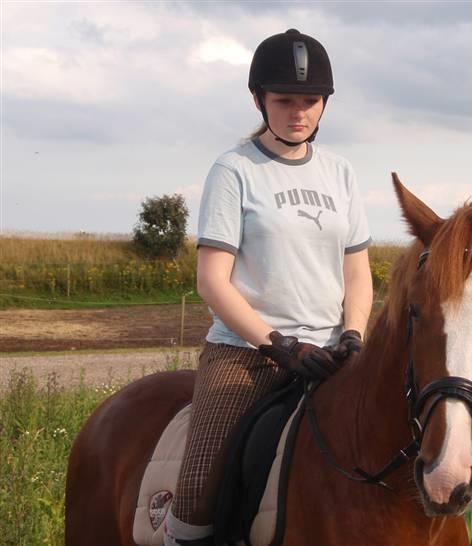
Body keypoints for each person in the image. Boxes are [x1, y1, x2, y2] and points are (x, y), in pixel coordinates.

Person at [164, 29, 373, 546]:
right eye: (284, 100)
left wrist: (354, 335)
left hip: (332, 354)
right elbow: (212, 280)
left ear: (324, 104)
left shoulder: (341, 173)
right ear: (260, 99)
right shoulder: (235, 170)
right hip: (247, 355)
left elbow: (357, 273)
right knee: (196, 489)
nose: (297, 112)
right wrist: (277, 344)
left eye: (310, 100)